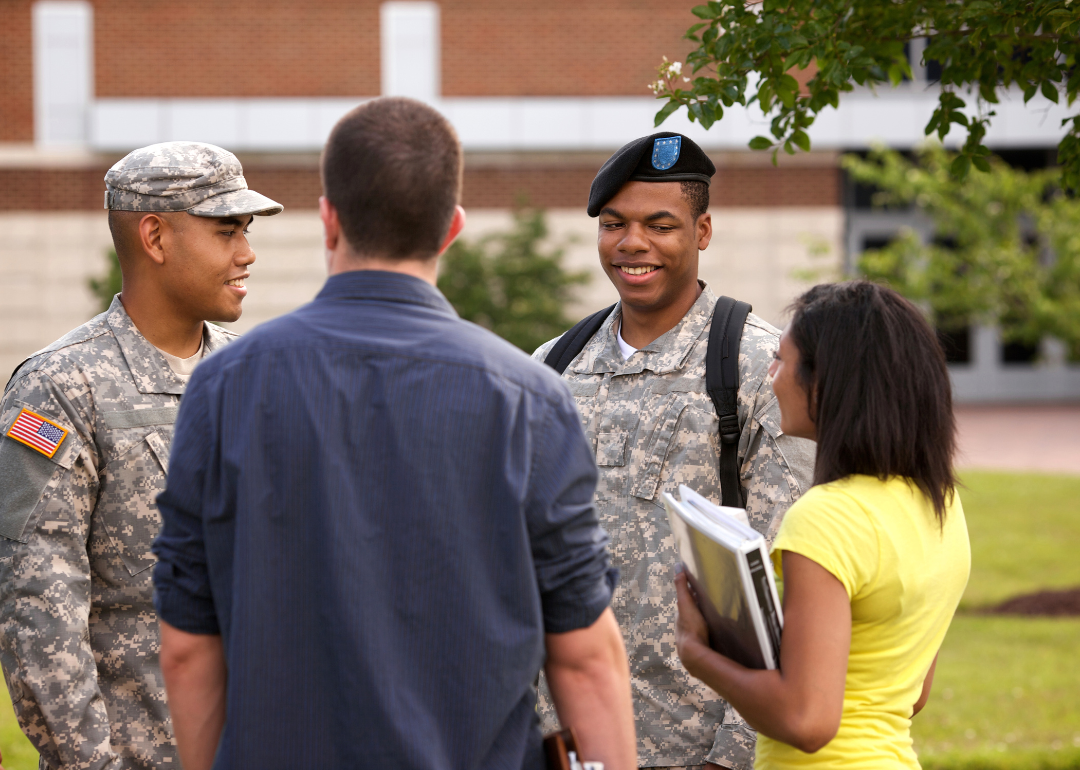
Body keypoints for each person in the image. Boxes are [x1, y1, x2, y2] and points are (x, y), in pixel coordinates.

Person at [151, 97, 637, 770]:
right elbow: (584, 657)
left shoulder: (223, 387)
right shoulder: (529, 398)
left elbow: (186, 645)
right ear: (452, 229)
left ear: (329, 220)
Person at [532, 132, 815, 770]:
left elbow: (793, 580)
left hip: (693, 747)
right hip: (562, 736)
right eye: (614, 225)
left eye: (660, 225)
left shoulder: (758, 370)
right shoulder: (550, 368)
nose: (633, 244)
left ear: (703, 230)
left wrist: (734, 755)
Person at [0, 142, 282, 769]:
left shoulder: (255, 374)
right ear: (155, 236)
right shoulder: (62, 388)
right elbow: (38, 611)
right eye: (226, 231)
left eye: (247, 231)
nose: (247, 252)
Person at [673, 281, 971, 769]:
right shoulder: (940, 501)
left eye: (780, 360)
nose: (770, 377)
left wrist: (697, 653)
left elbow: (807, 721)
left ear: (827, 382)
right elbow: (911, 694)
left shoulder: (827, 517)